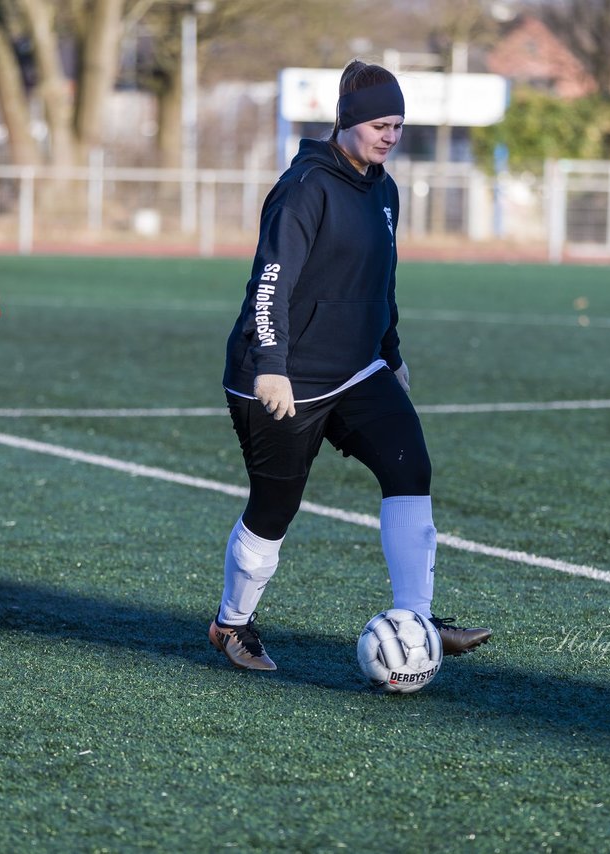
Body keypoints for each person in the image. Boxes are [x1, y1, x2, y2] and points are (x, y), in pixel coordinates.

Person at [209, 60, 492, 671]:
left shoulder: (384, 187)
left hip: (360, 369)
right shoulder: (305, 186)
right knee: (274, 506)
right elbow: (270, 283)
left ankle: (417, 618)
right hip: (283, 375)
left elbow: (381, 281)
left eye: (399, 125)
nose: (390, 136)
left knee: (410, 466)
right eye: (381, 125)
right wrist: (270, 365)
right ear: (349, 123)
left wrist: (391, 355)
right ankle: (232, 624)